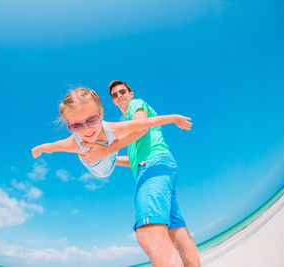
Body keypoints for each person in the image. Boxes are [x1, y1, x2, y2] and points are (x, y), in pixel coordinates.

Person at [80, 81, 200, 267]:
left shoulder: (136, 106)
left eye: (122, 92)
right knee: (177, 233)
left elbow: (141, 128)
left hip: (153, 166)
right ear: (112, 101)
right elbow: (132, 160)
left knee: (149, 231)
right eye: (115, 95)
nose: (119, 96)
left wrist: (105, 151)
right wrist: (104, 159)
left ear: (131, 93)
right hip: (158, 165)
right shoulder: (131, 131)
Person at [31, 88, 192, 178]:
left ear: (101, 115)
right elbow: (52, 146)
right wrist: (38, 149)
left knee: (118, 148)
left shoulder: (112, 129)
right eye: (76, 126)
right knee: (111, 151)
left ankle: (132, 159)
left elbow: (145, 123)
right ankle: (119, 156)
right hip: (96, 166)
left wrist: (174, 118)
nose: (86, 130)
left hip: (110, 155)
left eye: (92, 120)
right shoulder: (74, 143)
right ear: (68, 126)